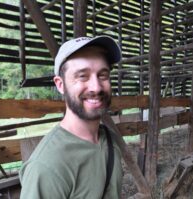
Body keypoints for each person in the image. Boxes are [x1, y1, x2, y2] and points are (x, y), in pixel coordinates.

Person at [19, 36, 123, 199]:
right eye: (82, 76)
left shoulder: (110, 139)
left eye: (103, 75)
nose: (96, 87)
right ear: (60, 85)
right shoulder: (46, 167)